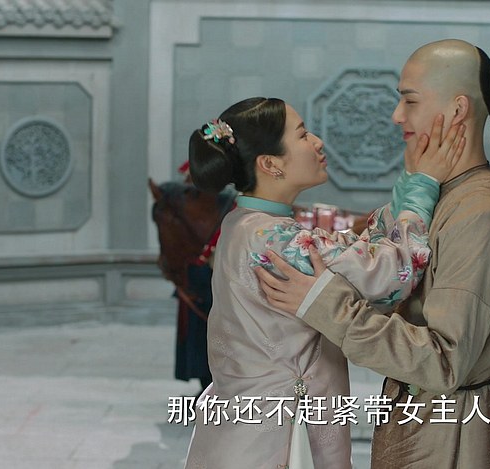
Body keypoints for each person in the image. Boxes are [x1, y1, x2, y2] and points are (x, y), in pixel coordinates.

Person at [255, 39, 490, 468]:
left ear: (457, 110)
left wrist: (325, 305)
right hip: (423, 419)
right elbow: (376, 252)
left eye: (410, 100)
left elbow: (443, 362)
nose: (396, 116)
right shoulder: (443, 192)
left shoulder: (482, 213)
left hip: (452, 436)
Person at [183, 96, 465, 469]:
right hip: (281, 437)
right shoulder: (279, 240)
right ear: (270, 164)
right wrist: (420, 190)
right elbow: (391, 277)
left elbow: (347, 255)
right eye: (302, 135)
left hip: (244, 429)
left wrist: (406, 191)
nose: (317, 142)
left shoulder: (243, 223)